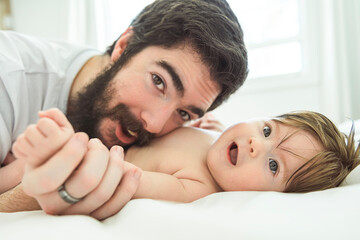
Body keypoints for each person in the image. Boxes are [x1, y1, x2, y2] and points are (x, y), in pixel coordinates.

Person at [0, 0, 248, 217]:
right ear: (124, 46)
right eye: (159, 82)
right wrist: (28, 197)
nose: (155, 124)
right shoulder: (8, 75)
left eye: (183, 113)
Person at [9, 108, 360, 219]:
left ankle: (45, 153)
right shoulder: (219, 137)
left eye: (273, 166)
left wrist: (71, 152)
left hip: (90, 160)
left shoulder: (195, 188)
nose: (256, 144)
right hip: (105, 138)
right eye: (267, 129)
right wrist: (209, 125)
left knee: (23, 172)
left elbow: (124, 178)